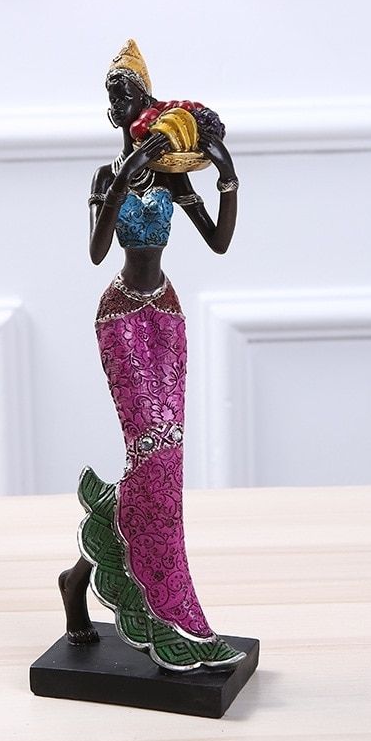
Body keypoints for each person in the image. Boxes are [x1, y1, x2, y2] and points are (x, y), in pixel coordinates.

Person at [59, 39, 244, 671]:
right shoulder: (105, 176)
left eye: (129, 92)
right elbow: (96, 250)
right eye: (113, 95)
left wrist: (226, 175)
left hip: (165, 312)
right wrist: (125, 173)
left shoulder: (170, 175)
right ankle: (167, 605)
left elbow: (218, 241)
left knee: (167, 455)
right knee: (151, 452)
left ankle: (82, 573)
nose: (121, 103)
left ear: (147, 98)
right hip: (121, 317)